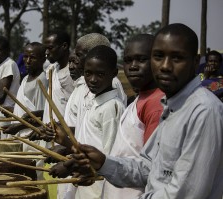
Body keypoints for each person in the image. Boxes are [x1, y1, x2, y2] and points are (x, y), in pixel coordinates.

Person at [65, 23, 223, 198]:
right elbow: (149, 168)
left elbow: (185, 192)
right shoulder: (171, 106)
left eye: (177, 58)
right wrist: (104, 163)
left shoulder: (204, 110)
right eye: (158, 56)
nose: (164, 66)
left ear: (195, 61)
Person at [47, 45, 125, 199]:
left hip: (98, 185)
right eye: (88, 74)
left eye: (100, 74)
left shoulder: (111, 107)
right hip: (85, 179)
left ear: (114, 73)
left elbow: (108, 157)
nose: (93, 80)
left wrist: (68, 160)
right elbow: (87, 142)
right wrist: (66, 149)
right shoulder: (94, 102)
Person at [103, 34, 164, 199]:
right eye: (128, 60)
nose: (133, 66)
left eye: (141, 59)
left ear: (157, 61)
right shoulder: (141, 98)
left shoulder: (156, 104)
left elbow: (153, 168)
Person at [2, 42, 48, 140]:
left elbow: (43, 116)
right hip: (20, 135)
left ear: (43, 59)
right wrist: (12, 110)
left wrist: (19, 126)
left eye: (33, 57)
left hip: (32, 137)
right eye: (25, 56)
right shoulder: (25, 79)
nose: (27, 61)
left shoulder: (42, 80)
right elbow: (26, 108)